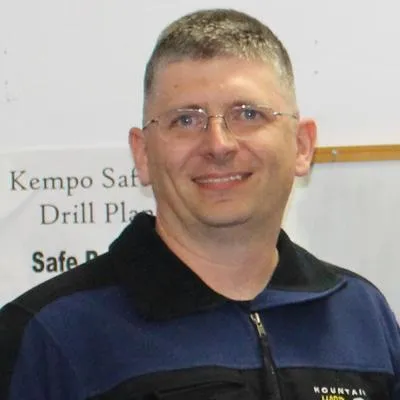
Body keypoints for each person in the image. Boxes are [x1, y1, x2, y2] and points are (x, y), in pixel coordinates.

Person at [1, 8, 399, 400]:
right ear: (142, 154)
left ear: (301, 146)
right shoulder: (49, 335)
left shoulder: (360, 315)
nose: (219, 145)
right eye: (185, 120)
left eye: (248, 114)